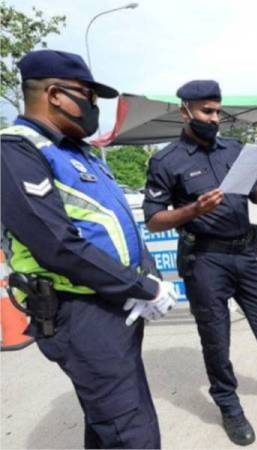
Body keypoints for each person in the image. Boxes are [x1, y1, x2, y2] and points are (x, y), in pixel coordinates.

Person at [0, 50, 177, 449]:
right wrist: (141, 288)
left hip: (115, 305)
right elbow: (57, 245)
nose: (93, 107)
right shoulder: (16, 151)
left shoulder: (81, 153)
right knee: (134, 434)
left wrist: (147, 278)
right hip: (79, 314)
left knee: (107, 425)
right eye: (88, 96)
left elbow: (121, 225)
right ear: (57, 95)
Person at [143, 80, 257, 446]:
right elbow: (153, 218)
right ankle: (229, 405)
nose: (214, 119)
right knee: (216, 338)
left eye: (217, 111)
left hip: (244, 254)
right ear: (185, 112)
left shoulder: (234, 149)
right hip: (205, 260)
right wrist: (193, 209)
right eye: (205, 111)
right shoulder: (166, 160)